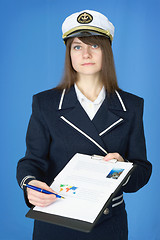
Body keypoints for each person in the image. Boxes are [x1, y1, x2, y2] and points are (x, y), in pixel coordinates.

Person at [16, 9, 152, 240]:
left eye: (94, 46)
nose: (86, 54)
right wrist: (31, 186)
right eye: (77, 46)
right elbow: (31, 161)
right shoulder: (45, 103)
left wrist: (122, 168)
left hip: (109, 224)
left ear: (107, 51)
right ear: (69, 54)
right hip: (56, 220)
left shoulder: (131, 105)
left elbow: (143, 169)